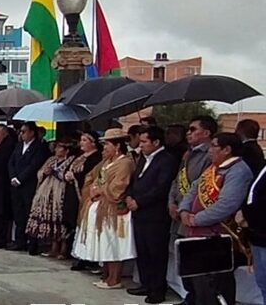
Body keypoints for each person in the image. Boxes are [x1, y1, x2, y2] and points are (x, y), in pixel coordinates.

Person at [179, 132, 253, 305]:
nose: (209, 150)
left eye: (214, 146)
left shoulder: (238, 170)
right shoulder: (213, 168)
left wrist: (196, 219)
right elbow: (193, 190)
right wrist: (184, 211)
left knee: (216, 286)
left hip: (217, 237)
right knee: (199, 284)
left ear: (227, 149)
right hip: (197, 234)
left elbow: (226, 206)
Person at [73, 128, 137, 289]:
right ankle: (106, 274)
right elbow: (91, 177)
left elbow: (119, 186)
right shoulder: (106, 162)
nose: (104, 148)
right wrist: (93, 190)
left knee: (113, 244)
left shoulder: (125, 163)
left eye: (107, 144)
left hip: (114, 211)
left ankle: (114, 278)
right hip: (99, 206)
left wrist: (101, 190)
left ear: (117, 146)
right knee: (104, 243)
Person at [124, 126, 179, 304]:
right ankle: (145, 283)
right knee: (143, 251)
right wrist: (130, 196)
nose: (141, 146)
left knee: (156, 253)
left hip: (155, 215)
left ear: (156, 142)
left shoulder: (166, 160)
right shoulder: (143, 159)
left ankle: (157, 289)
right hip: (138, 213)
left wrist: (140, 202)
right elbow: (134, 180)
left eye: (144, 142)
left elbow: (161, 188)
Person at [26, 138, 77, 259]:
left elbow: (67, 176)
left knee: (60, 220)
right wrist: (44, 172)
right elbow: (40, 172)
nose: (56, 150)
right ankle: (53, 247)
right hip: (46, 192)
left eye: (59, 147)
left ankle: (63, 249)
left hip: (61, 192)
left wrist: (56, 173)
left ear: (67, 150)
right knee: (50, 219)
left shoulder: (71, 160)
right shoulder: (51, 159)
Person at [169, 116, 216, 239]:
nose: (188, 133)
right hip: (177, 213)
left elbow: (203, 185)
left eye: (193, 129)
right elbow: (177, 180)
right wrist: (171, 202)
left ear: (206, 133)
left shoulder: (210, 155)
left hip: (193, 215)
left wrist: (184, 207)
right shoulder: (188, 153)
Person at [7, 121, 50, 253]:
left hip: (29, 185)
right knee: (18, 213)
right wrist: (13, 177)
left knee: (29, 213)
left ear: (32, 132)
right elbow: (11, 162)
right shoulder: (19, 145)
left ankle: (32, 242)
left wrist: (20, 179)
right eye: (21, 131)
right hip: (16, 185)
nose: (22, 134)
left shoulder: (39, 147)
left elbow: (34, 165)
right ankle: (20, 241)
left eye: (24, 131)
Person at [65, 131, 103, 271]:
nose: (81, 142)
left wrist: (75, 176)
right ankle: (78, 254)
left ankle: (89, 259)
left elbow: (90, 175)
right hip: (72, 192)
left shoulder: (96, 157)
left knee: (85, 224)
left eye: (85, 140)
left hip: (84, 194)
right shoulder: (79, 157)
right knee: (74, 222)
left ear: (93, 142)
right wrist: (68, 175)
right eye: (81, 140)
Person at [240, 147, 266, 303]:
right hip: (258, 234)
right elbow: (253, 193)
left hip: (262, 229)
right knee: (262, 281)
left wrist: (246, 214)